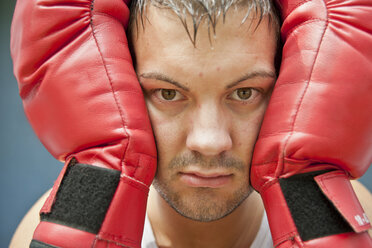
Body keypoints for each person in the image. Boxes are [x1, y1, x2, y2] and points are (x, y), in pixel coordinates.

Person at [9, 0, 372, 247]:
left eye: (245, 93)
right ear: (118, 92)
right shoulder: (51, 227)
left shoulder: (356, 221)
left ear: (290, 90)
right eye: (168, 94)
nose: (210, 140)